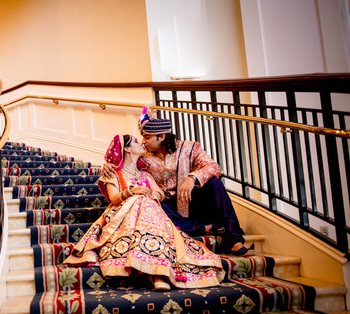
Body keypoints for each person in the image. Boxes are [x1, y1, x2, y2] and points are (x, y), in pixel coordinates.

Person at [63, 134, 225, 291]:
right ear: (127, 149)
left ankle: (157, 271)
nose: (141, 143)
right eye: (135, 141)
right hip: (122, 217)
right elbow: (114, 198)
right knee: (141, 201)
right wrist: (133, 191)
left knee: (147, 202)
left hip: (148, 214)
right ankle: (158, 274)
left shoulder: (145, 174)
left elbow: (159, 193)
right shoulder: (114, 174)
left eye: (144, 138)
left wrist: (151, 194)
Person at [103, 107, 250, 256]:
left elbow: (213, 167)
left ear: (161, 136)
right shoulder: (143, 155)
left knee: (215, 183)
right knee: (149, 205)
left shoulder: (190, 148)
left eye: (147, 137)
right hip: (164, 205)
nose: (143, 142)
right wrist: (108, 165)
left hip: (190, 201)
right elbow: (123, 159)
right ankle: (205, 227)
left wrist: (192, 178)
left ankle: (234, 240)